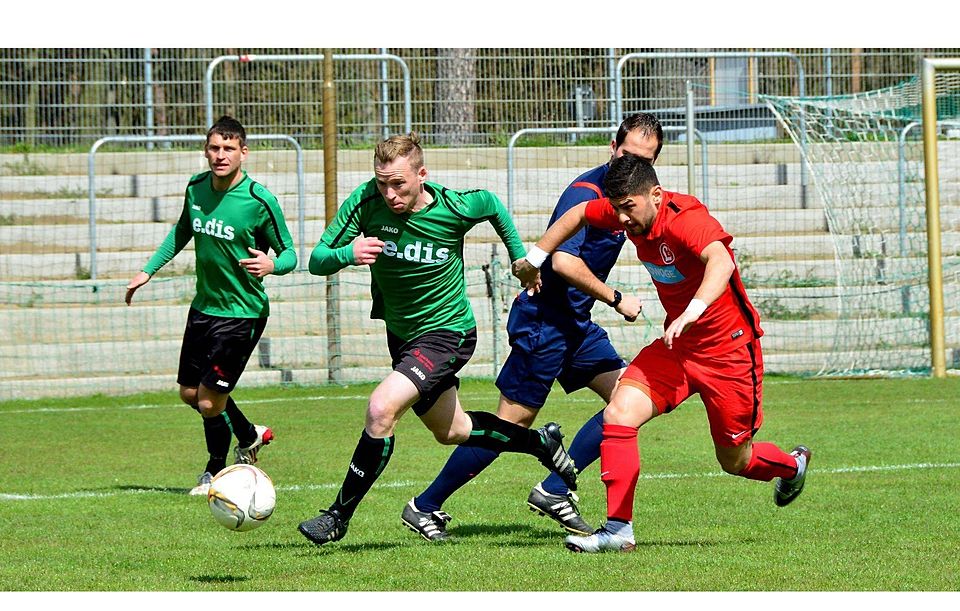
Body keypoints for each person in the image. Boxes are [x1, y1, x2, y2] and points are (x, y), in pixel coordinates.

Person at [513, 153, 812, 553]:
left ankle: (792, 466)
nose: (620, 219)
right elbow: (580, 213)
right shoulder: (625, 209)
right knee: (619, 411)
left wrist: (692, 312)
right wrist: (535, 261)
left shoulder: (686, 218)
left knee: (734, 460)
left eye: (628, 208)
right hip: (677, 348)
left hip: (728, 353)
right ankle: (618, 530)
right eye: (616, 209)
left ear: (655, 194)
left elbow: (720, 262)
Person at [297, 132, 578, 547]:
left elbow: (492, 204)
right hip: (403, 336)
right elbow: (316, 260)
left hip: (448, 333)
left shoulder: (453, 206)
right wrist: (347, 254)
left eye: (399, 184)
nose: (389, 193)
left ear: (421, 174)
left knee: (380, 409)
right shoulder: (364, 202)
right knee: (454, 430)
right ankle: (540, 442)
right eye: (382, 184)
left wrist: (522, 258)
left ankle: (337, 516)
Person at [400, 113, 664, 542]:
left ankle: (555, 488)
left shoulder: (632, 198)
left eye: (643, 160)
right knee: (512, 424)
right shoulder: (586, 192)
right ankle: (425, 505)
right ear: (612, 148)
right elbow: (561, 259)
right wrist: (616, 298)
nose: (630, 164)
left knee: (626, 401)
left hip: (575, 324)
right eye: (627, 154)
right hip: (543, 322)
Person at [125, 115, 296, 495]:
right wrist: (148, 271)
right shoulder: (197, 187)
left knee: (207, 401)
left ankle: (215, 469)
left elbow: (290, 254)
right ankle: (249, 433)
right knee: (190, 393)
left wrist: (271, 264)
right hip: (204, 307)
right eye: (215, 148)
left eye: (229, 149)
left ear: (243, 153)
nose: (220, 155)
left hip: (242, 313)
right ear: (206, 150)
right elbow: (182, 230)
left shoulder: (258, 200)